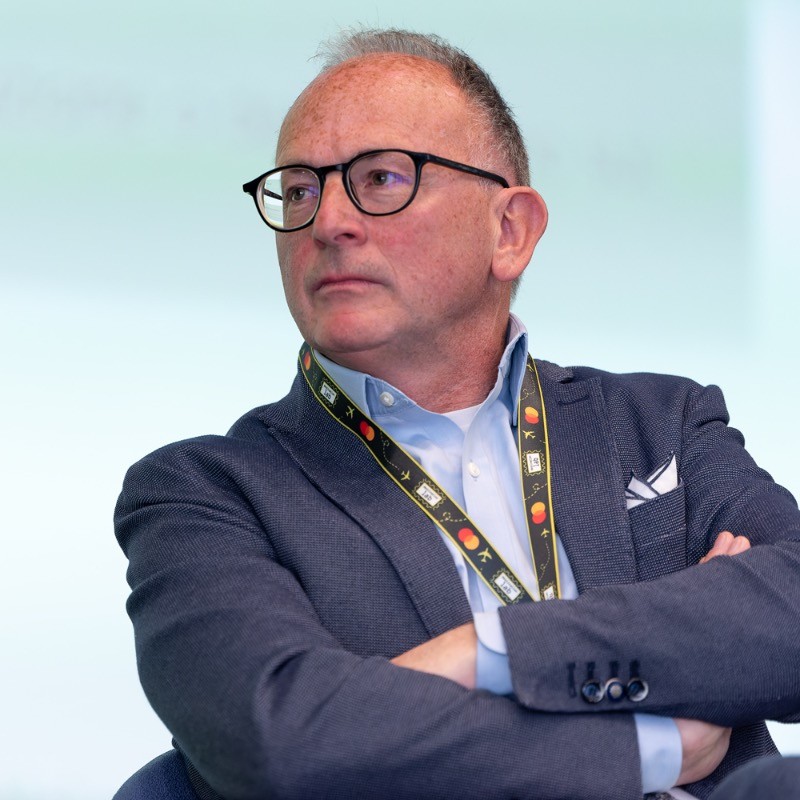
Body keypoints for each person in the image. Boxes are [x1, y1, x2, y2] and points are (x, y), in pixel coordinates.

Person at [115, 29, 800, 800]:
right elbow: (285, 743)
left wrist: (488, 651)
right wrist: (654, 742)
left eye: (381, 178)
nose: (328, 221)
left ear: (509, 232)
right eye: (300, 191)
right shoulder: (205, 495)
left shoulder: (659, 421)